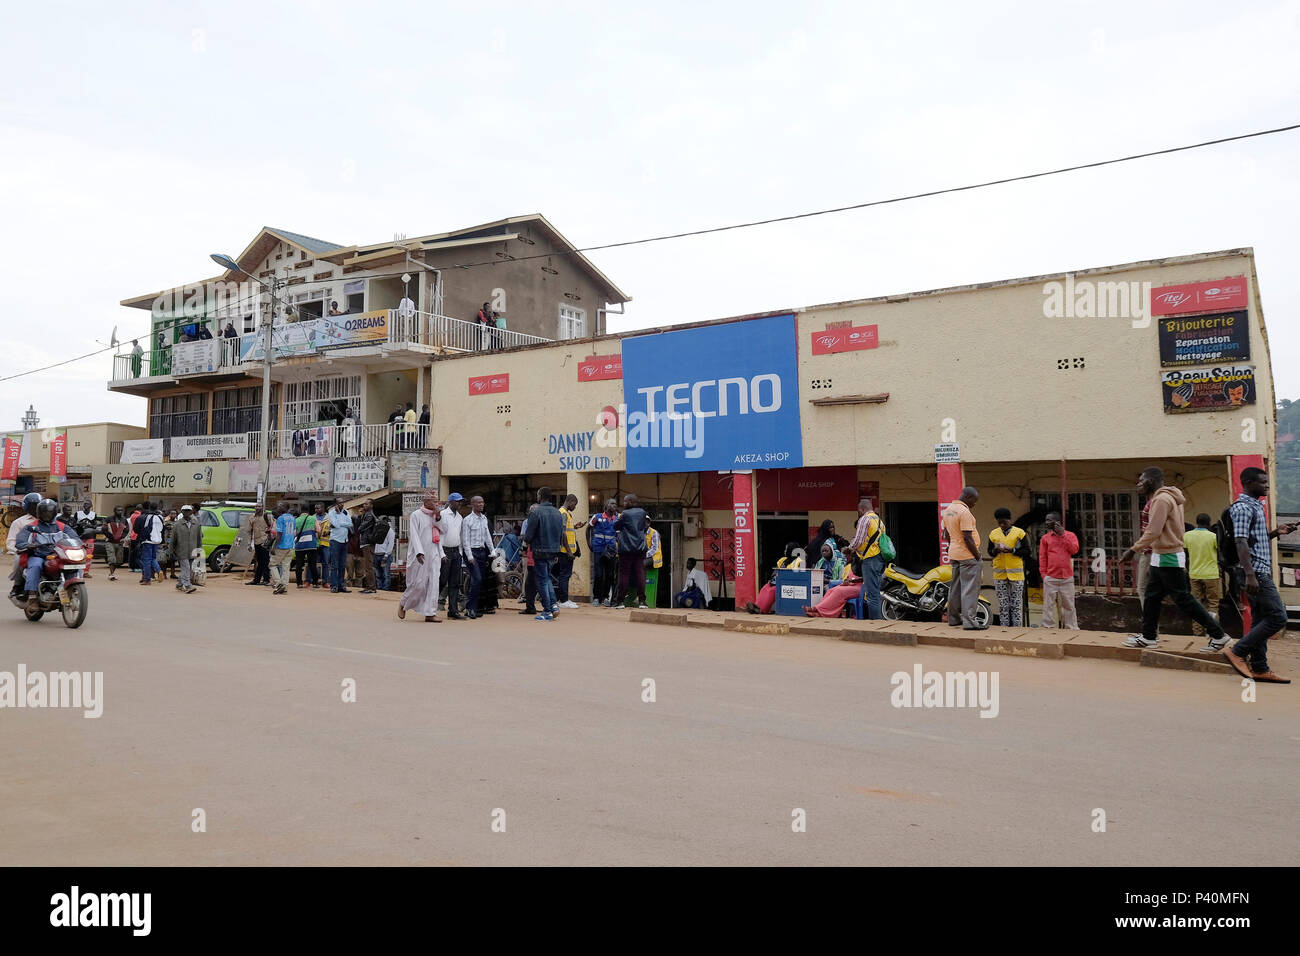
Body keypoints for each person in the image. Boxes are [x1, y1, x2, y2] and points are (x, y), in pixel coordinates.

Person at [1120, 467, 1229, 650]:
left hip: (1167, 556)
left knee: (1183, 598)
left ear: (1151, 481)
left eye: (1141, 481)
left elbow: (1154, 531)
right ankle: (1148, 636)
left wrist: (1133, 550)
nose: (1138, 485)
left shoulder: (1161, 499)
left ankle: (1218, 635)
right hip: (1161, 554)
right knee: (1152, 597)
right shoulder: (1169, 497)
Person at [1222, 467, 1297, 680]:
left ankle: (1260, 668)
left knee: (1260, 619)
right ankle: (1236, 651)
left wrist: (1276, 532)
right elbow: (1240, 541)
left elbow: (1253, 540)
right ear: (1248, 482)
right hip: (1255, 572)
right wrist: (1250, 575)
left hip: (1257, 570)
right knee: (1277, 617)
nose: (1266, 485)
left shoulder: (1255, 506)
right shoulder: (1244, 507)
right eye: (1263, 482)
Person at [942, 487, 985, 630]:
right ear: (968, 497)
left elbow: (946, 534)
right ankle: (970, 622)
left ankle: (953, 618)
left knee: (955, 588)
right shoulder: (964, 512)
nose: (974, 504)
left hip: (954, 554)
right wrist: (977, 555)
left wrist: (953, 546)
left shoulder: (948, 510)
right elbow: (967, 537)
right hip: (968, 555)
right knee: (970, 589)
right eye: (974, 501)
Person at [523, 488, 565, 620]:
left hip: (540, 550)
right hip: (553, 550)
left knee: (541, 580)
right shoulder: (558, 513)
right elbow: (561, 533)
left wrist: (524, 546)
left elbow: (529, 534)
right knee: (546, 578)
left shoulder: (536, 512)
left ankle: (547, 610)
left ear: (540, 496)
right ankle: (553, 605)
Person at [399, 494, 442, 622]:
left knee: (434, 584)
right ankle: (403, 603)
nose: (436, 503)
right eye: (434, 501)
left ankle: (430, 613)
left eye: (437, 501)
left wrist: (438, 517)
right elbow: (414, 535)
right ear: (426, 501)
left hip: (434, 553)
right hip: (420, 555)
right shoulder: (416, 515)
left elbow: (444, 529)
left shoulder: (437, 515)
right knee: (419, 584)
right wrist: (418, 552)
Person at [16, 499, 62, 613]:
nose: (47, 514)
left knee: (72, 564)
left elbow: (73, 536)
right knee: (35, 566)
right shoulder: (31, 526)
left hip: (57, 555)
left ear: (55, 512)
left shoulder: (61, 526)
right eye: (44, 512)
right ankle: (32, 598)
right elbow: (21, 539)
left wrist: (81, 543)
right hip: (39, 555)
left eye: (50, 512)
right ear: (39, 513)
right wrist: (26, 545)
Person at [988, 508, 1031, 627]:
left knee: (1016, 604)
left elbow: (1027, 550)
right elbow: (989, 552)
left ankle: (1017, 629)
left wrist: (1013, 550)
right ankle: (1004, 629)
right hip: (999, 574)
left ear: (1010, 520)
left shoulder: (1019, 533)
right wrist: (995, 550)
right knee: (1003, 604)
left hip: (1016, 574)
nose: (1002, 525)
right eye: (999, 522)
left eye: (1004, 522)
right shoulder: (993, 534)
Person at [1184, 513, 1223, 639]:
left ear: (1196, 522)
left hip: (1194, 574)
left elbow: (1185, 554)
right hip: (1211, 574)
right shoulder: (1213, 536)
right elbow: (1219, 553)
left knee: (1196, 604)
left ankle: (1197, 633)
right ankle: (1213, 632)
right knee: (1213, 603)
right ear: (1208, 523)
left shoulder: (1187, 535)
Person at [1038, 512, 1079, 629]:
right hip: (1050, 577)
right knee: (1048, 605)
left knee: (1069, 605)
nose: (1046, 523)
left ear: (1057, 522)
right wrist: (1044, 575)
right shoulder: (1045, 538)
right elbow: (1042, 557)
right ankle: (1047, 627)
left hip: (1067, 577)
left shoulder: (1070, 535)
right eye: (1046, 520)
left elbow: (1074, 550)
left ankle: (1071, 627)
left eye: (1049, 520)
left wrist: (1062, 535)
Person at [848, 498, 887, 620]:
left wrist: (849, 548)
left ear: (862, 509)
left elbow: (858, 541)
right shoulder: (879, 520)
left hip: (870, 559)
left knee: (871, 594)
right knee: (876, 591)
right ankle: (879, 620)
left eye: (859, 511)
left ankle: (875, 623)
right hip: (880, 558)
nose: (859, 514)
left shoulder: (865, 519)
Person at [613, 493, 648, 609]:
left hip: (626, 548)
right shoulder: (643, 513)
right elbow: (644, 527)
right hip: (640, 548)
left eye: (625, 501)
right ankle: (642, 601)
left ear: (631, 502)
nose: (623, 503)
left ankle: (621, 601)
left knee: (624, 574)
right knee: (640, 573)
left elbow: (616, 526)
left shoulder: (625, 514)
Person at [747, 542, 803, 614]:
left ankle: (763, 610)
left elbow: (798, 574)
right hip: (777, 580)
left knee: (772, 590)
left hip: (788, 582)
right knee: (765, 588)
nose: (785, 551)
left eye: (786, 549)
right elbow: (775, 571)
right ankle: (756, 606)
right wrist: (772, 579)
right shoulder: (783, 560)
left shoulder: (799, 561)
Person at [462, 495, 493, 617]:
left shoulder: (484, 519)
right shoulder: (467, 520)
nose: (481, 504)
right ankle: (470, 608)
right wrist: (469, 556)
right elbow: (465, 540)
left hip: (482, 552)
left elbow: (487, 537)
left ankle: (474, 607)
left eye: (482, 502)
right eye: (478, 502)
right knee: (477, 579)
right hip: (472, 552)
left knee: (478, 581)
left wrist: (493, 551)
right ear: (473, 504)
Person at [436, 493, 466, 618]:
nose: (460, 504)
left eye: (461, 502)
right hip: (444, 551)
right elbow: (438, 535)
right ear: (451, 502)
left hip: (456, 552)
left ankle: (453, 611)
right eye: (457, 501)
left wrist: (460, 553)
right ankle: (430, 605)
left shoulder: (460, 517)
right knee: (442, 581)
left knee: (455, 583)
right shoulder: (443, 515)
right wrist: (441, 553)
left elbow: (461, 536)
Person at [7, 493, 42, 597]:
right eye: (34, 505)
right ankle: (17, 585)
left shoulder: (49, 520)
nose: (37, 508)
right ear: (27, 507)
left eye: (39, 505)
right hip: (27, 552)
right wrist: (20, 550)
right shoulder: (19, 522)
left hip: (46, 551)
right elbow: (11, 542)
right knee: (19, 559)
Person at [555, 493, 585, 610]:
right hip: (565, 552)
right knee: (564, 576)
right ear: (570, 501)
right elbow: (562, 533)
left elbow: (567, 530)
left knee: (564, 575)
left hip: (566, 551)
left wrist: (575, 527)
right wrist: (568, 551)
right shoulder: (563, 513)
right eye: (575, 504)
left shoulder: (566, 514)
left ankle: (563, 599)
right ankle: (563, 600)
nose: (575, 507)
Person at [586, 498, 619, 606]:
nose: (614, 505)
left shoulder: (617, 519)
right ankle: (596, 597)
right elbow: (588, 528)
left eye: (615, 504)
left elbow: (619, 534)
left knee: (609, 575)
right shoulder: (597, 517)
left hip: (611, 550)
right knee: (599, 574)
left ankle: (605, 597)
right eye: (612, 503)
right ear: (606, 505)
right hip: (598, 549)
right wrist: (589, 543)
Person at [169, 505, 202, 594]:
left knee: (189, 569)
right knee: (186, 568)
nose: (186, 512)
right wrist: (171, 551)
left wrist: (199, 550)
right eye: (184, 511)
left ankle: (180, 584)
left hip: (193, 550)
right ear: (182, 512)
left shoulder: (196, 523)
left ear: (191, 512)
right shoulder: (177, 524)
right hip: (181, 551)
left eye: (188, 511)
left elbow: (199, 538)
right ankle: (187, 585)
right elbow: (173, 539)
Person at [134, 501, 164, 586]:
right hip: (157, 541)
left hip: (147, 541)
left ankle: (147, 579)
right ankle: (159, 570)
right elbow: (163, 529)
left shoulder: (144, 517)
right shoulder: (160, 517)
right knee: (153, 558)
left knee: (146, 560)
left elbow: (136, 530)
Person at [268, 502, 296, 595]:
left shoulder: (280, 518)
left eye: (281, 506)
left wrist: (274, 547)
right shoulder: (292, 518)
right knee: (285, 568)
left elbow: (279, 534)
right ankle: (284, 588)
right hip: (290, 546)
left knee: (272, 564)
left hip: (281, 546)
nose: (278, 507)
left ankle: (279, 583)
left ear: (285, 508)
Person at [327, 498, 353, 593]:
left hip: (345, 540)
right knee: (334, 565)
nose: (342, 504)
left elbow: (350, 524)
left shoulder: (346, 512)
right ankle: (334, 586)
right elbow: (336, 525)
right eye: (339, 503)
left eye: (343, 502)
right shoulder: (331, 513)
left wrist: (341, 522)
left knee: (342, 565)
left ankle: (341, 585)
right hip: (335, 541)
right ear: (336, 504)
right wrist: (339, 517)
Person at [294, 504, 319, 589]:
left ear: (300, 511)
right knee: (312, 564)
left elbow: (295, 534)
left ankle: (299, 583)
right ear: (308, 511)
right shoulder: (313, 518)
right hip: (311, 544)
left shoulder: (296, 520)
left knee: (299, 565)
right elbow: (318, 530)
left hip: (300, 545)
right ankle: (315, 583)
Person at [247, 504, 273, 587]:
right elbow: (249, 531)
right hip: (257, 542)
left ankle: (266, 579)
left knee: (265, 561)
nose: (257, 508)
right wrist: (249, 543)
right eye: (256, 506)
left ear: (263, 508)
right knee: (259, 562)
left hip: (265, 542)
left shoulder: (267, 516)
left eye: (259, 506)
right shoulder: (252, 518)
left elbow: (273, 527)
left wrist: (270, 538)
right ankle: (256, 580)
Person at [102, 505, 129, 581]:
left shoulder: (124, 519)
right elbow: (104, 529)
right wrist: (111, 536)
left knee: (118, 560)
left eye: (121, 510)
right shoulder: (108, 519)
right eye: (118, 510)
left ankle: (111, 573)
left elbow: (127, 530)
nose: (120, 512)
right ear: (114, 511)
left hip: (120, 542)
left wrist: (121, 537)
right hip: (110, 541)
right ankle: (112, 574)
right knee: (111, 558)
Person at [356, 500, 377, 594]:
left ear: (371, 505)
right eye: (363, 503)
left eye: (366, 504)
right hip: (366, 543)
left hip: (368, 543)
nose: (364, 505)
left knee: (369, 567)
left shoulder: (369, 515)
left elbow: (361, 528)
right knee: (367, 566)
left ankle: (371, 588)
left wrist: (359, 527)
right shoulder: (367, 514)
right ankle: (369, 587)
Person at [73, 500, 97, 579]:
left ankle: (86, 572)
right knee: (78, 554)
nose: (86, 505)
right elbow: (74, 524)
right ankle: (77, 571)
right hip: (79, 537)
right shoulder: (78, 514)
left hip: (90, 537)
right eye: (85, 504)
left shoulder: (93, 514)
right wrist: (79, 524)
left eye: (88, 504)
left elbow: (95, 526)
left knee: (89, 555)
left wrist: (89, 525)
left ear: (91, 506)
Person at [373, 513, 396, 591]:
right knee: (378, 574)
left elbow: (391, 544)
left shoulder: (390, 531)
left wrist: (386, 555)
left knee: (386, 574)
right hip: (376, 555)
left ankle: (385, 590)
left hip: (384, 555)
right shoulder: (377, 529)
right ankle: (379, 589)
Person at [644, 518, 663, 608]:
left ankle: (641, 594)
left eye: (646, 521)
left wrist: (643, 555)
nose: (644, 523)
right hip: (644, 556)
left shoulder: (654, 532)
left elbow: (654, 549)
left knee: (641, 566)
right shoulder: (639, 532)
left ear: (649, 523)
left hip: (653, 558)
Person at [314, 503, 331, 590]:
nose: (316, 510)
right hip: (315, 544)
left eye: (318, 508)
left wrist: (329, 532)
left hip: (325, 544)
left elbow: (333, 528)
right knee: (313, 563)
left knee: (326, 564)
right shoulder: (313, 518)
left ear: (323, 508)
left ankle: (326, 582)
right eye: (315, 508)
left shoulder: (329, 517)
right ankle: (313, 581)